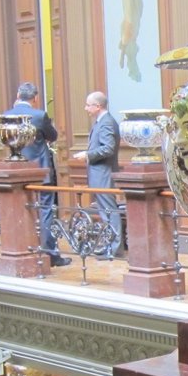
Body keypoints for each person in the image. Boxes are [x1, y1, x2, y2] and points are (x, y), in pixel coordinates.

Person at [7, 82, 69, 267]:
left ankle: (23, 251)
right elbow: (53, 136)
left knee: (20, 210)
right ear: (35, 98)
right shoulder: (40, 115)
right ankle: (50, 254)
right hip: (41, 172)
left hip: (16, 173)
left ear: (18, 95)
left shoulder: (7, 115)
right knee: (45, 211)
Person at [73, 90, 122, 258]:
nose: (85, 108)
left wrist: (87, 155)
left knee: (109, 210)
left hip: (103, 173)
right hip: (100, 173)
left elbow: (108, 148)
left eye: (88, 105)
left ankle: (113, 248)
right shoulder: (102, 121)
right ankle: (109, 245)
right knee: (104, 211)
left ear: (98, 106)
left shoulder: (106, 122)